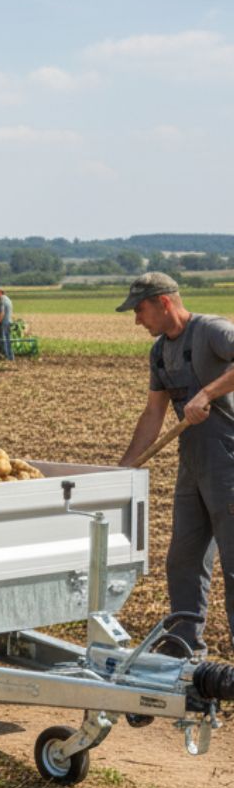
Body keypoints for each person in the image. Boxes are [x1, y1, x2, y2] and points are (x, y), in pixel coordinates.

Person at [117, 271, 234, 652]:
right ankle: (184, 644)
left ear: (164, 302)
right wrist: (123, 468)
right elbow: (153, 413)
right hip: (194, 464)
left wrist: (208, 393)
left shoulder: (211, 331)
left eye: (140, 309)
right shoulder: (159, 352)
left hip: (229, 461)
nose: (137, 319)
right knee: (182, 558)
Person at [0, 287, 14, 361]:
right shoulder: (8, 299)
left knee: (3, 339)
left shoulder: (2, 300)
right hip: (8, 321)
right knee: (8, 339)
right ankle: (11, 357)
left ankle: (7, 356)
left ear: (0, 293)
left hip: (4, 322)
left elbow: (2, 313)